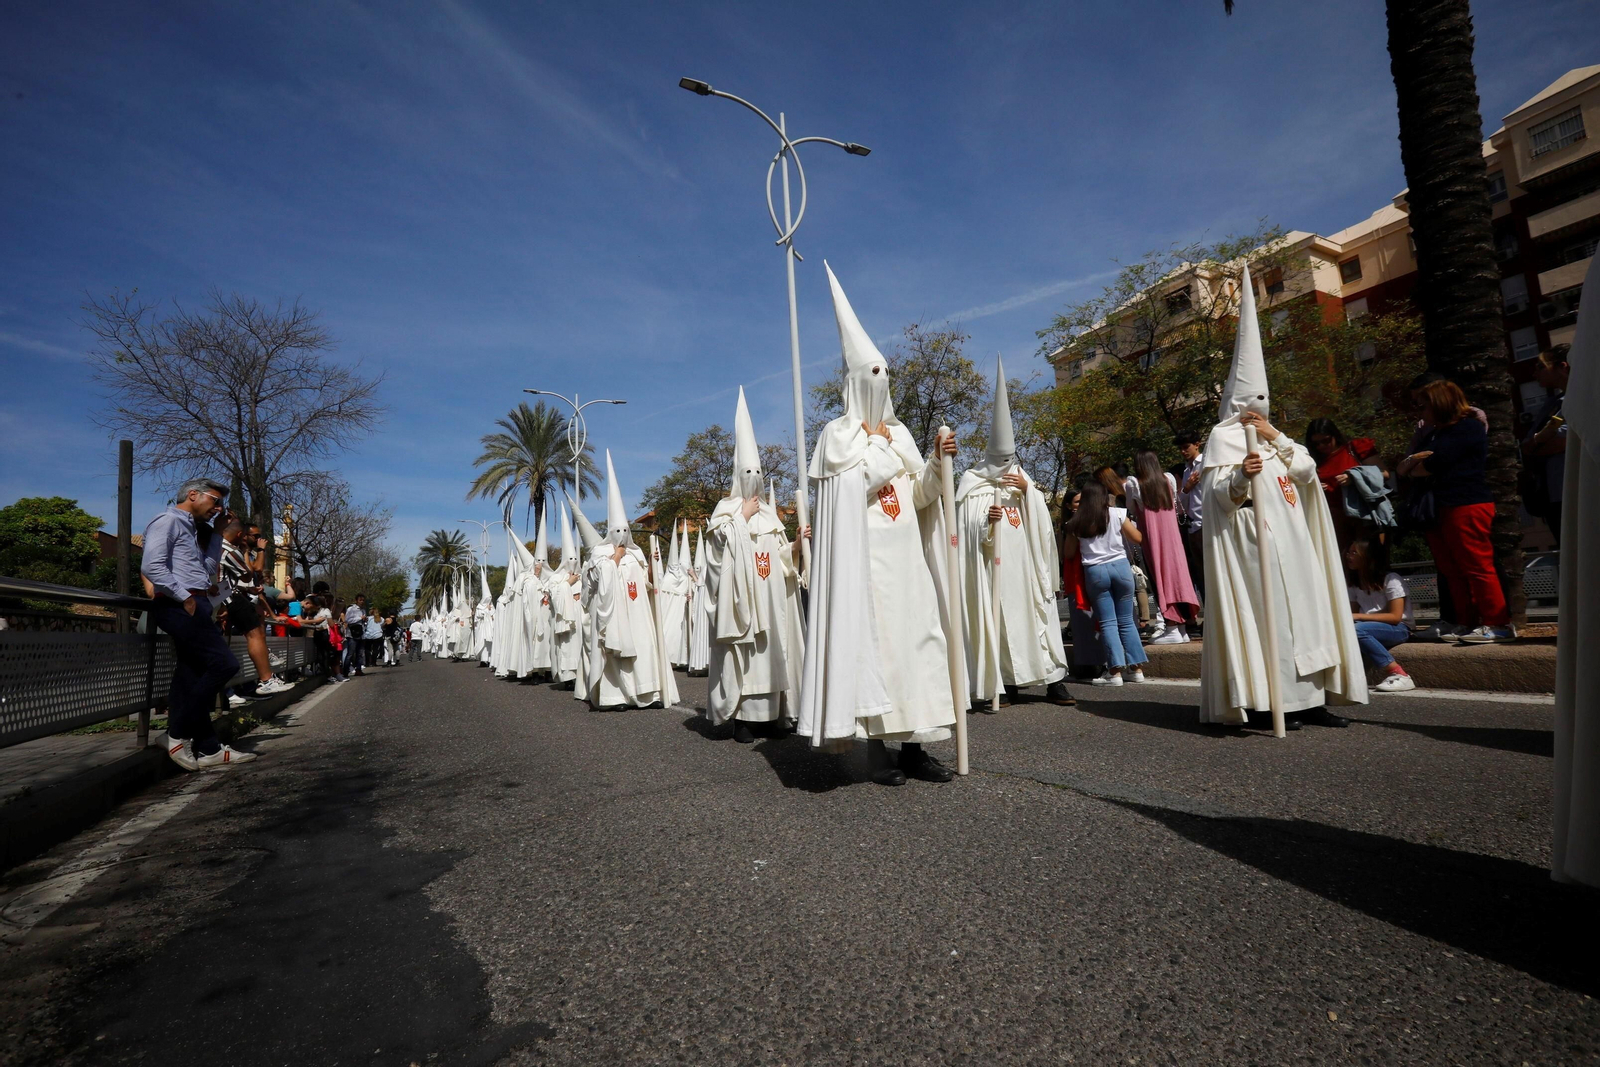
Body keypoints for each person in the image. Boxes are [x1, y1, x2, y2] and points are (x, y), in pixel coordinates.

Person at [796, 263, 961, 786]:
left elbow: (917, 497)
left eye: (885, 374)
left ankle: (917, 748)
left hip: (907, 563)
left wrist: (936, 463)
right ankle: (877, 749)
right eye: (871, 375)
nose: (880, 383)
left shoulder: (899, 433)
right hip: (865, 570)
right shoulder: (835, 437)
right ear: (852, 382)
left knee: (919, 649)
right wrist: (881, 453)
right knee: (880, 652)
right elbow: (845, 494)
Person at [1198, 264, 1366, 730]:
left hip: (1294, 539)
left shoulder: (1278, 437)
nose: (1257, 411)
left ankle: (1312, 701)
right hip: (1253, 543)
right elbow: (1216, 498)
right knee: (1271, 621)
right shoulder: (1221, 438)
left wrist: (1276, 437)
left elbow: (1309, 474)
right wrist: (1238, 479)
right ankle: (1270, 701)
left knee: (1305, 618)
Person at [955, 357, 1073, 707]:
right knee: (1001, 622)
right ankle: (1003, 684)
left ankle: (1054, 681)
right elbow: (965, 523)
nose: (1007, 467)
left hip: (1026, 568)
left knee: (1040, 619)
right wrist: (984, 520)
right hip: (995, 568)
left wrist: (1028, 493)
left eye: (1011, 458)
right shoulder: (972, 482)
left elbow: (1039, 522)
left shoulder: (1024, 481)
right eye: (1001, 459)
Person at [705, 387, 807, 741]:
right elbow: (716, 552)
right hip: (744, 601)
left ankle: (774, 717)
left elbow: (778, 560)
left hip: (772, 599)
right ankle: (745, 720)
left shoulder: (771, 514)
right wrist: (739, 520)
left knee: (774, 652)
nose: (753, 477)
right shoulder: (726, 510)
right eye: (747, 471)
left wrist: (794, 545)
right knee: (747, 657)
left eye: (758, 471)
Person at [140, 478, 258, 770]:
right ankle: (175, 734)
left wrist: (217, 534)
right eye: (214, 501)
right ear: (193, 495)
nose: (218, 508)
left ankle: (208, 748)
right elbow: (151, 566)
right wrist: (184, 598)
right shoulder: (167, 520)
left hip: (197, 602)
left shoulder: (191, 528)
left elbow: (205, 571)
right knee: (224, 665)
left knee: (189, 674)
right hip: (181, 604)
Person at [1398, 380, 1513, 644]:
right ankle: (1466, 622)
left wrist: (1415, 465)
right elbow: (1405, 467)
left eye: (1423, 405)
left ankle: (1499, 624)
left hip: (1467, 503)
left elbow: (1430, 464)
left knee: (1477, 565)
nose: (1420, 411)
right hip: (1441, 506)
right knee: (1451, 568)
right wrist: (1414, 464)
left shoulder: (1468, 427)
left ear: (1439, 403)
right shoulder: (1434, 433)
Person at [583, 452, 676, 710]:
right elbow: (598, 582)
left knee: (644, 647)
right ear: (609, 532)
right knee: (616, 653)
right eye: (617, 531)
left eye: (625, 530)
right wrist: (615, 556)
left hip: (638, 614)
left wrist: (651, 563)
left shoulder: (635, 554)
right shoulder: (600, 554)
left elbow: (646, 584)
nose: (622, 535)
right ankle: (616, 698)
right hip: (614, 615)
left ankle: (648, 695)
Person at [1063, 482, 1147, 686]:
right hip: (1121, 567)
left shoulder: (1077, 522)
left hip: (1096, 571)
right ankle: (1136, 669)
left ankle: (1115, 671)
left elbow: (1068, 553)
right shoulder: (1117, 513)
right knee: (1127, 620)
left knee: (1108, 622)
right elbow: (1137, 538)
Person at [1125, 449, 1199, 645]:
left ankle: (1173, 625)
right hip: (1173, 540)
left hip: (1153, 540)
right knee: (1178, 577)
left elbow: (1131, 509)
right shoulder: (1168, 480)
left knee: (1161, 578)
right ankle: (1181, 627)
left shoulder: (1135, 485)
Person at [219, 518, 292, 695]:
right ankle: (266, 679)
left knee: (233, 639)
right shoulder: (229, 551)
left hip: (223, 596)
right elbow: (249, 572)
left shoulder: (217, 547)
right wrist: (251, 552)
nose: (248, 539)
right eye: (251, 536)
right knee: (255, 633)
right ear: (240, 535)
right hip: (227, 598)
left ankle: (228, 694)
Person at [1345, 531, 1415, 692]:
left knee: (1355, 630)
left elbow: (1395, 617)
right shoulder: (1354, 584)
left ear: (1367, 556)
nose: (1349, 556)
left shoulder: (1391, 579)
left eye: (1354, 552)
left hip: (1399, 629)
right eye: (1348, 552)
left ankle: (1399, 674)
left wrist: (1356, 616)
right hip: (1368, 626)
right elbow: (1353, 614)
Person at [1522, 347, 1569, 546]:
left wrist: (1537, 444)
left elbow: (1565, 440)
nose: (1535, 374)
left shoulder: (1587, 397)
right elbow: (1526, 445)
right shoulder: (1552, 403)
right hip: (1551, 494)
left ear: (1562, 367)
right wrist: (1539, 441)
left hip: (1575, 490)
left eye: (1541, 367)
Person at [1173, 430, 1206, 603]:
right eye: (1181, 448)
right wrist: (1187, 487)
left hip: (1208, 524)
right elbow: (1182, 502)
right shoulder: (1186, 470)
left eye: (1186, 447)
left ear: (1197, 444)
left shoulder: (1206, 464)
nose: (1183, 451)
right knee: (1201, 575)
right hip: (1194, 526)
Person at [343, 594, 368, 676]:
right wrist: (360, 618)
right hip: (352, 634)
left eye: (363, 600)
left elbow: (364, 623)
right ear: (356, 600)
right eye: (360, 600)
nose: (362, 602)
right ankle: (345, 671)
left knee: (360, 653)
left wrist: (364, 620)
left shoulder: (363, 610)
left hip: (361, 633)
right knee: (350, 653)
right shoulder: (351, 609)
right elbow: (348, 620)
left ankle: (358, 669)